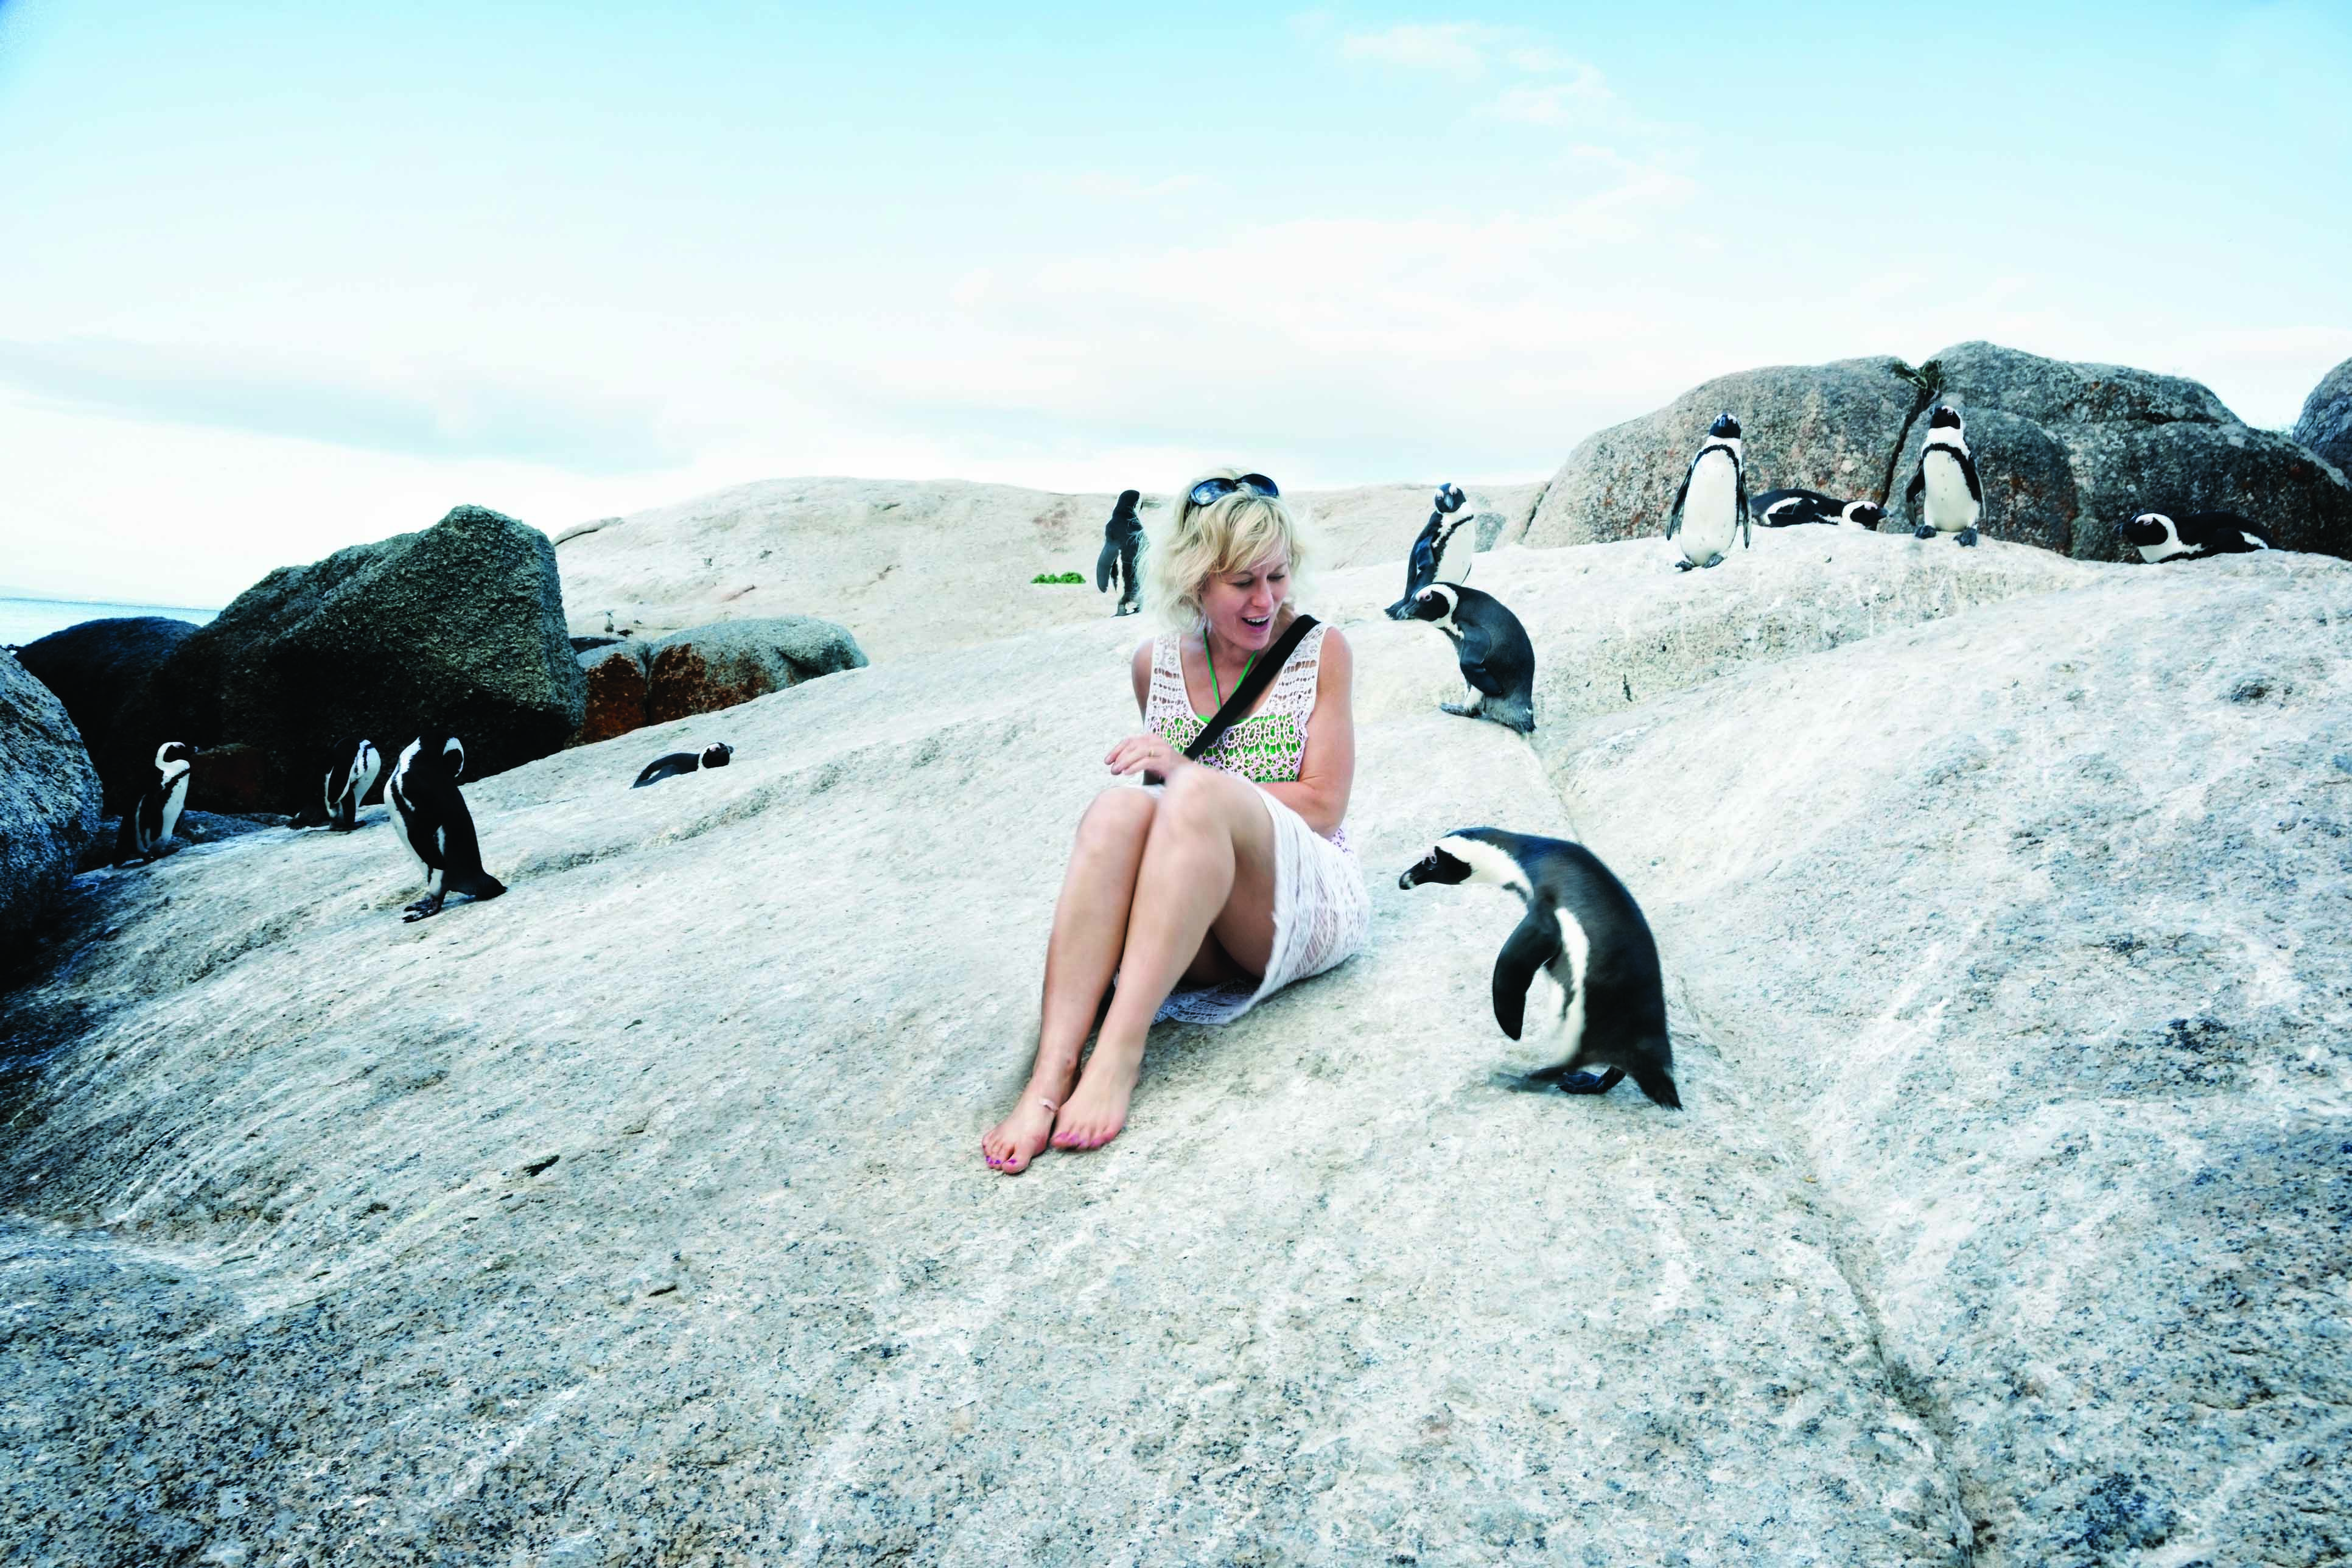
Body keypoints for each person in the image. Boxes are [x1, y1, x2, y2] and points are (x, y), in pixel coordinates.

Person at [982, 469, 1373, 1174]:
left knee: (1189, 793)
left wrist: (1193, 775)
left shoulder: (1323, 650)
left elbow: (1322, 803)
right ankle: (1051, 1074)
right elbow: (1158, 835)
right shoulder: (1153, 666)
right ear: (1197, 581)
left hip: (1302, 898)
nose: (1265, 599)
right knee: (1118, 809)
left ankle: (1119, 1055)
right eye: (1242, 583)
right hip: (1204, 920)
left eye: (1277, 576)